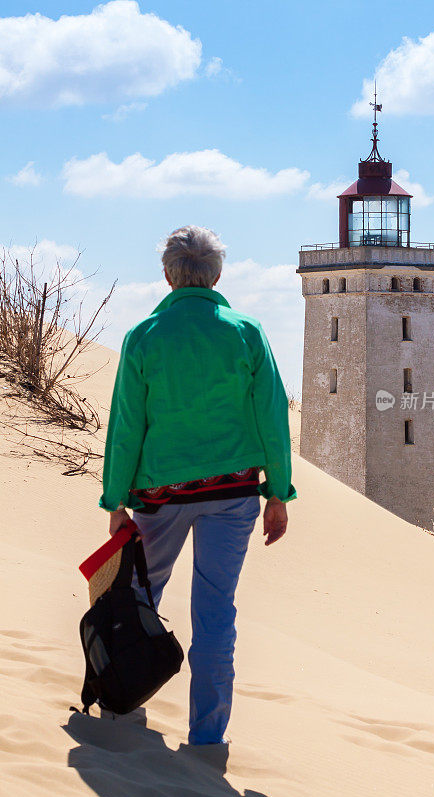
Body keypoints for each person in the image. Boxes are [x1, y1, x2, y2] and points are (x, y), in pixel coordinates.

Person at [98, 225, 296, 745]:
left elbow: (126, 427)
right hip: (232, 499)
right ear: (218, 275)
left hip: (159, 500)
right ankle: (208, 737)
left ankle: (120, 705)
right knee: (214, 615)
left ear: (167, 275)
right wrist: (279, 492)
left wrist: (115, 500)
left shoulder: (144, 336)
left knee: (138, 598)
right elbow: (273, 417)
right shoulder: (246, 332)